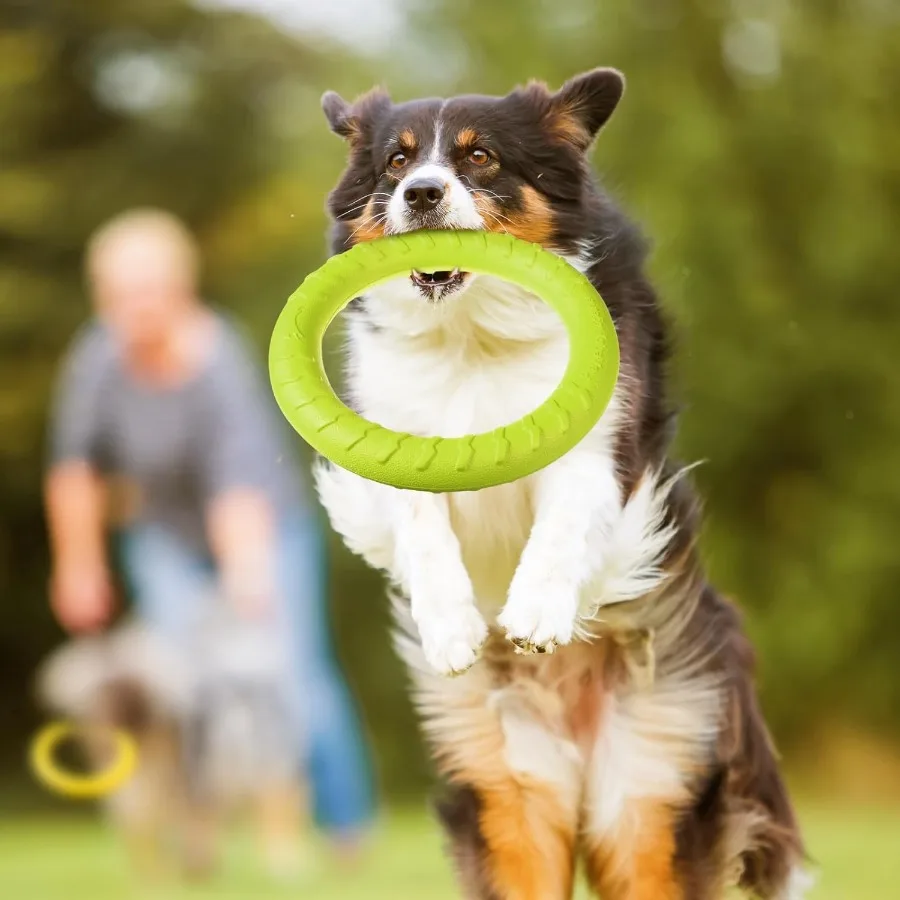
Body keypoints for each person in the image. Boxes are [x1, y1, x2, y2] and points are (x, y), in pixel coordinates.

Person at [43, 208, 374, 855]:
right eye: (117, 295)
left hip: (263, 528)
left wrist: (247, 579)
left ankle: (344, 827)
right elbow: (75, 469)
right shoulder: (97, 358)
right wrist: (77, 568)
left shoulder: (219, 357)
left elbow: (238, 485)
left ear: (181, 289)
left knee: (290, 670)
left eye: (147, 292)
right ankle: (198, 832)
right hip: (164, 534)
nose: (133, 309)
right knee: (179, 681)